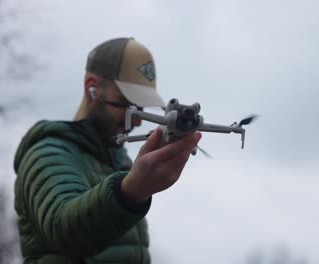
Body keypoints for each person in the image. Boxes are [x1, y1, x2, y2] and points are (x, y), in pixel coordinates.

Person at [13, 37, 201, 263]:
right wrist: (131, 191)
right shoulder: (47, 152)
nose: (138, 121)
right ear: (91, 89)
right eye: (129, 104)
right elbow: (65, 230)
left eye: (141, 108)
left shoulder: (118, 162)